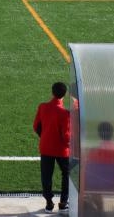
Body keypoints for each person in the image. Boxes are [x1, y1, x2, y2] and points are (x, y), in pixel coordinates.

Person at [33, 82, 71, 213]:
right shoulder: (65, 113)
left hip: (46, 147)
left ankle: (49, 203)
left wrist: (44, 136)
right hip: (62, 150)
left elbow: (36, 126)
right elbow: (66, 135)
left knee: (46, 176)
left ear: (52, 92)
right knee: (67, 174)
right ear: (64, 95)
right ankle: (63, 202)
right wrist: (69, 145)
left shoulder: (43, 107)